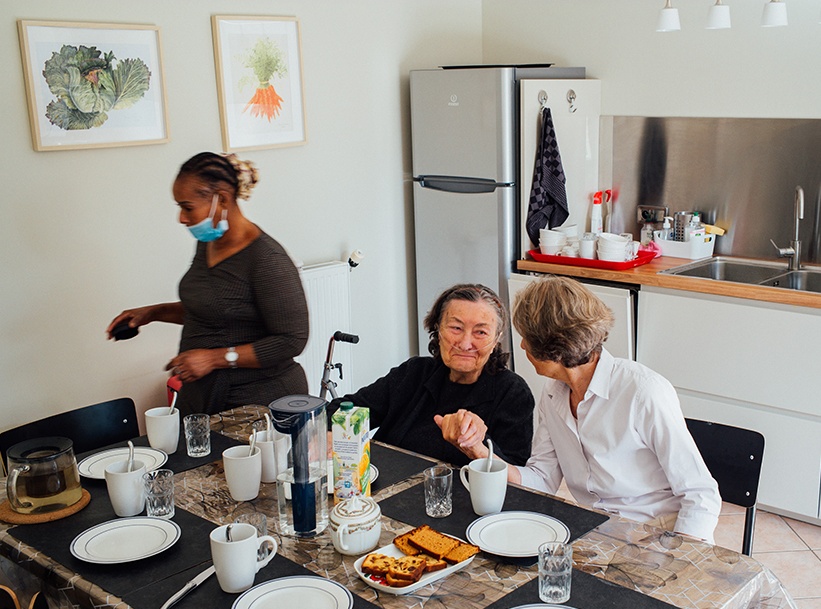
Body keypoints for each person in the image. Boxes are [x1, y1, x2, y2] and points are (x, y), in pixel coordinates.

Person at [457, 276, 721, 542]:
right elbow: (541, 480)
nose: (522, 345)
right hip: (596, 533)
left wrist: (681, 558)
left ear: (552, 346)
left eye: (526, 337)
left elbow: (700, 494)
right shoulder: (553, 393)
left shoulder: (643, 392)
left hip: (659, 532)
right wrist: (479, 450)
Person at [107, 152, 309, 416]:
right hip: (204, 395)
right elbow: (212, 309)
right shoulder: (208, 242)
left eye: (187, 207)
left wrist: (214, 359)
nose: (181, 217)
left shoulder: (267, 260)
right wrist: (152, 313)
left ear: (222, 200)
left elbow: (292, 341)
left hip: (256, 404)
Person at [331, 284, 534, 467]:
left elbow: (516, 477)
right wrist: (324, 434)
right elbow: (344, 412)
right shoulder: (414, 373)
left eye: (480, 332)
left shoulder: (513, 393)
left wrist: (477, 443)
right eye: (456, 328)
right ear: (438, 330)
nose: (465, 344)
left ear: (496, 339)